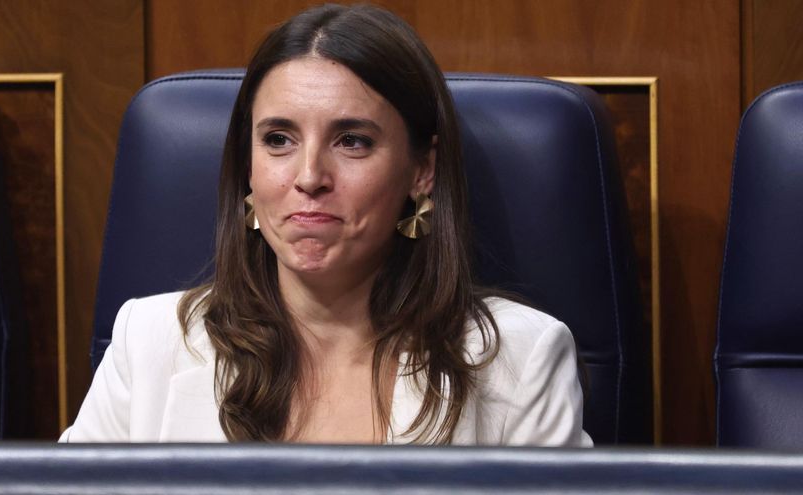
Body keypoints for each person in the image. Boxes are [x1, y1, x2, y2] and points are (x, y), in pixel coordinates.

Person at [61, 3, 592, 446]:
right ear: (248, 168)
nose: (310, 176)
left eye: (352, 141)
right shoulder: (148, 342)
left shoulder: (522, 360)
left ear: (422, 170)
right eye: (278, 140)